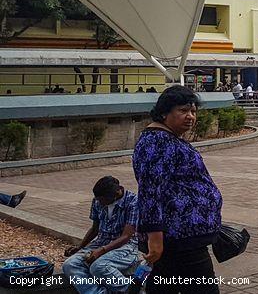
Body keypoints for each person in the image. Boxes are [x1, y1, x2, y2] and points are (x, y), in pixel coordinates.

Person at [133, 86, 223, 293]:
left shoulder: (168, 139)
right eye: (183, 111)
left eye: (193, 111)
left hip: (184, 236)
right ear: (164, 112)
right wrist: (155, 238)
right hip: (179, 238)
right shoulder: (157, 141)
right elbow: (150, 192)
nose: (190, 116)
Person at [62, 176, 140, 294]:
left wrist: (102, 251)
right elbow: (95, 228)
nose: (99, 202)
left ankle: (133, 290)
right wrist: (80, 247)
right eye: (97, 199)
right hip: (102, 242)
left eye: (102, 199)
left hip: (127, 246)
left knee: (99, 266)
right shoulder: (98, 200)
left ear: (116, 194)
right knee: (70, 264)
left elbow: (126, 236)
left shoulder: (133, 202)